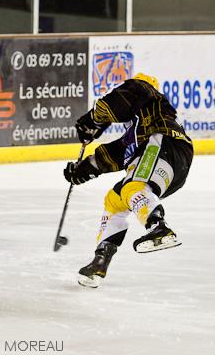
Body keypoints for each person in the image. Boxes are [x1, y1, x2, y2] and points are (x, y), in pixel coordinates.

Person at [64, 73, 193, 288]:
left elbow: (124, 97)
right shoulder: (137, 129)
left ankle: (159, 228)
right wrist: (84, 168)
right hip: (169, 163)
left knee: (133, 186)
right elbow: (117, 153)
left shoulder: (147, 93)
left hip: (164, 145)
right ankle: (100, 261)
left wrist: (94, 119)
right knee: (115, 199)